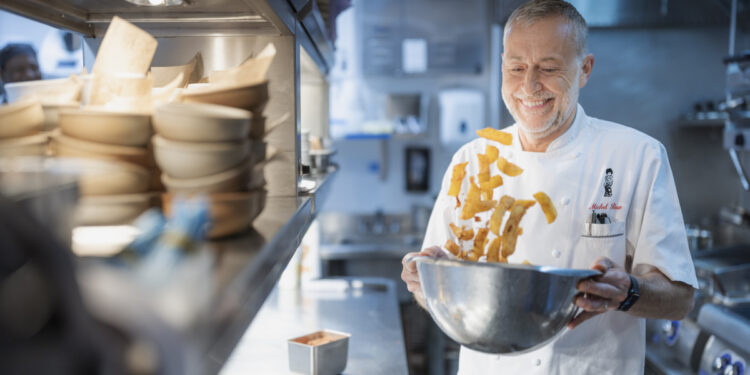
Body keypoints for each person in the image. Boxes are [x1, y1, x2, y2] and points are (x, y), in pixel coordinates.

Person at [401, 0, 697, 373]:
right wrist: (425, 281)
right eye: (516, 68)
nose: (529, 85)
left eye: (549, 68)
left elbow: (680, 298)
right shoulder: (471, 161)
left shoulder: (637, 156)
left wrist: (628, 293)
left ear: (584, 70)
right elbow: (439, 288)